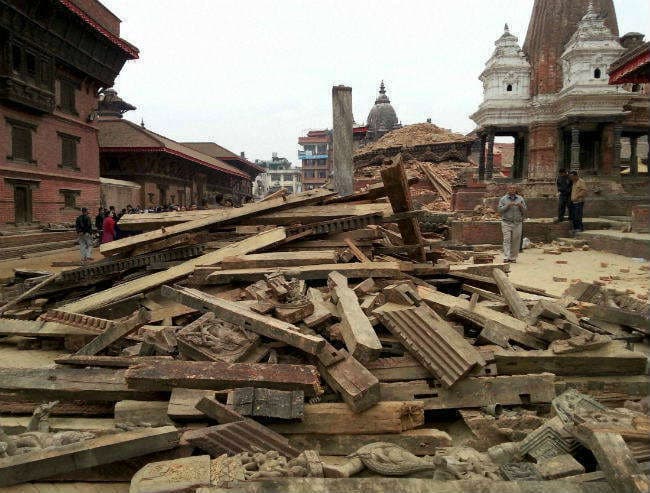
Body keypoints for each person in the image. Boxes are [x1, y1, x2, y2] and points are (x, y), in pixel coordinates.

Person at [498, 185, 527, 263]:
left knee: (516, 240)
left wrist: (521, 206)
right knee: (506, 239)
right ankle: (506, 257)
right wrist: (507, 205)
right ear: (508, 189)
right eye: (510, 188)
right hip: (506, 222)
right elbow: (500, 210)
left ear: (516, 189)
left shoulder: (520, 199)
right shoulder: (503, 199)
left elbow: (525, 211)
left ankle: (513, 257)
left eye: (514, 188)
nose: (512, 189)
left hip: (517, 223)